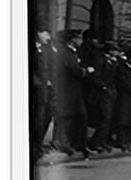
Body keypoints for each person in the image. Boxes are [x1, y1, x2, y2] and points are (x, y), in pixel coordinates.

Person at [54, 29, 93, 158]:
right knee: (68, 117)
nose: (81, 41)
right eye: (79, 38)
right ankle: (64, 143)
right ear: (72, 40)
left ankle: (78, 144)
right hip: (67, 90)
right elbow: (74, 70)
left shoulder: (73, 53)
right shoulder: (65, 53)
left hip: (75, 90)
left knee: (80, 117)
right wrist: (86, 71)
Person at [30, 25, 54, 159]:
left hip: (45, 91)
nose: (48, 37)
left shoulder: (46, 50)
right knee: (36, 119)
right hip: (35, 90)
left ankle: (37, 145)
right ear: (38, 33)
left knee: (44, 118)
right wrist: (37, 82)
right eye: (46, 34)